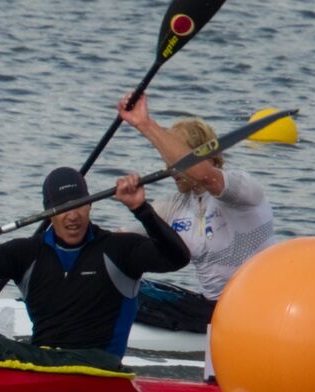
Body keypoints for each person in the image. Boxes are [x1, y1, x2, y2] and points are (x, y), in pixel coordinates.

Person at [0, 167, 190, 362]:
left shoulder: (120, 250)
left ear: (90, 205)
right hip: (43, 362)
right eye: (63, 209)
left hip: (98, 365)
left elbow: (178, 257)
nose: (72, 216)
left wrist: (141, 209)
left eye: (79, 205)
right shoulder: (25, 253)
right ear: (49, 213)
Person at [116, 92, 275, 331]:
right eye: (168, 159)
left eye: (176, 158)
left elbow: (205, 176)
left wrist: (145, 124)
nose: (171, 169)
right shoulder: (176, 205)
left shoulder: (242, 189)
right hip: (213, 311)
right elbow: (118, 241)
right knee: (130, 287)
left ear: (205, 155)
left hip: (259, 308)